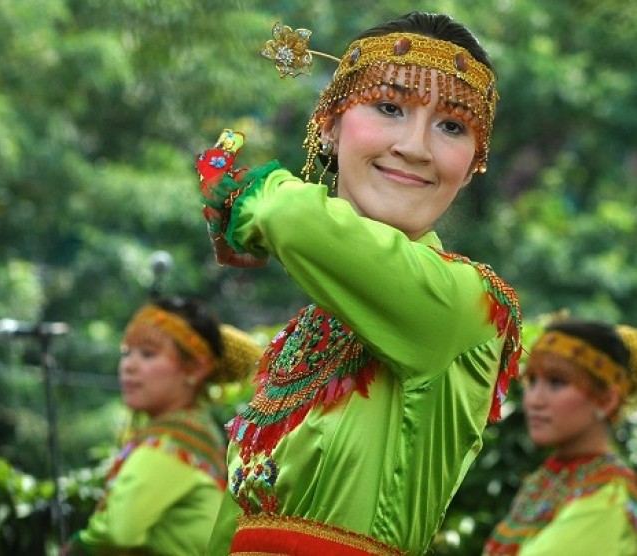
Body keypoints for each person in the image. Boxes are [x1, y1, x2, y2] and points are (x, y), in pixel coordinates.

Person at [194, 11, 523, 555]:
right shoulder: (298, 339)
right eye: (390, 108)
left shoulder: (466, 306)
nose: (416, 147)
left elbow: (289, 218)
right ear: (328, 124)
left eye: (452, 126)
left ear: (471, 167)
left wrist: (246, 195)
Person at [62, 295, 263, 556]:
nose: (128, 366)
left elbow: (116, 533)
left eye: (147, 354)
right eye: (127, 352)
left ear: (195, 369)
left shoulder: (170, 445)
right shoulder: (194, 435)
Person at [483, 319, 637, 555]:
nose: (534, 399)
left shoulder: (607, 496)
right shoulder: (547, 478)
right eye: (532, 380)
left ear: (607, 400)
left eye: (557, 382)